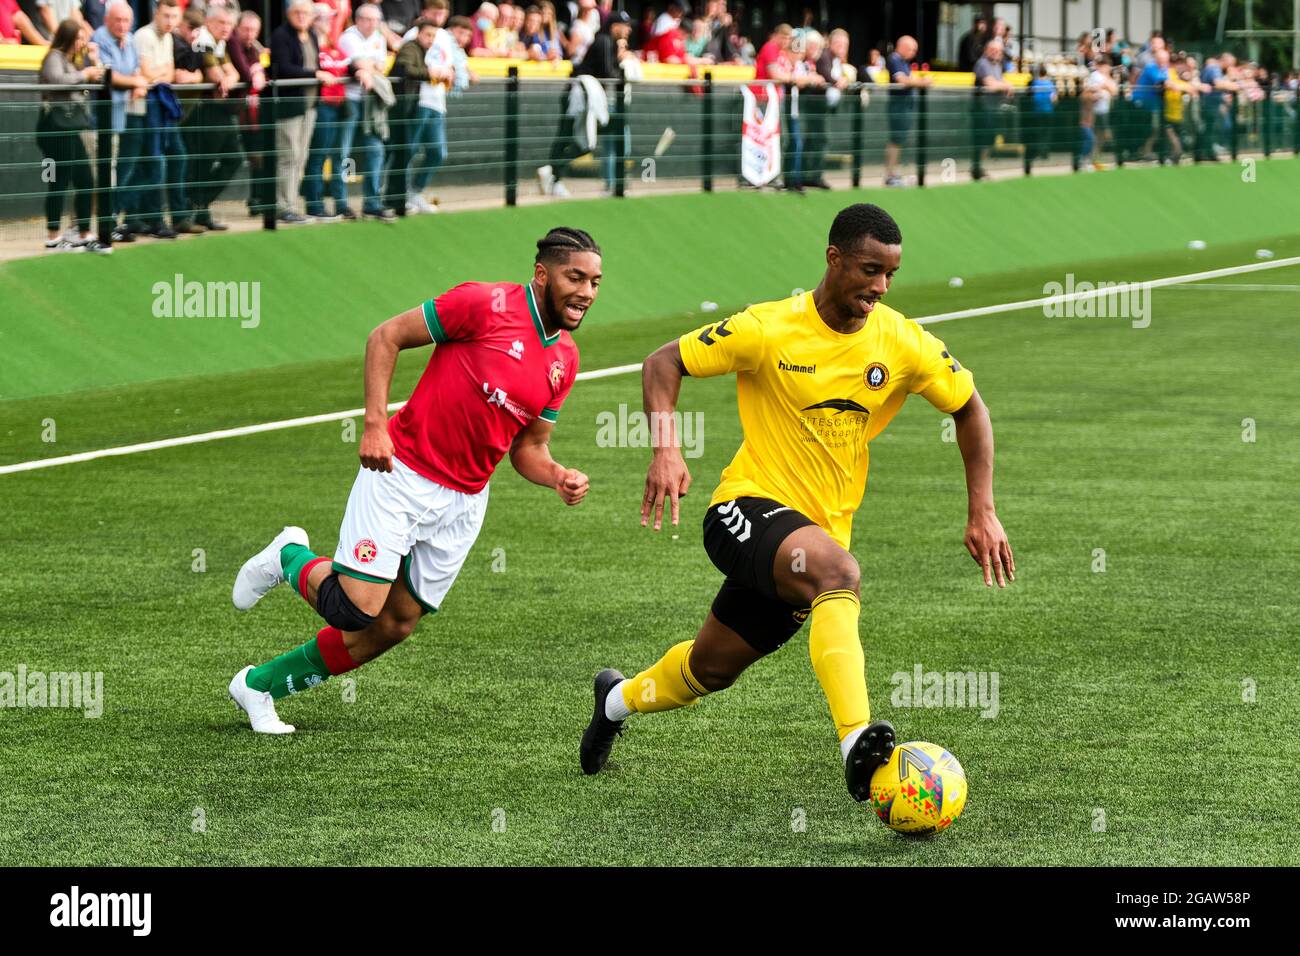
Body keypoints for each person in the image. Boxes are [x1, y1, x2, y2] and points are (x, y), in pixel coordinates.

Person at [580, 204, 1014, 796]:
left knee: (710, 668)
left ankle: (615, 701)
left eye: (890, 274)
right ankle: (856, 739)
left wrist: (982, 509)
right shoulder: (768, 328)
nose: (879, 287)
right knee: (839, 572)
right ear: (833, 257)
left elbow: (970, 407)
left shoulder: (903, 342)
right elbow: (664, 361)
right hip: (744, 509)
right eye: (868, 270)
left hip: (810, 538)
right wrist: (666, 451)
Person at [227, 227, 600, 733]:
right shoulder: (482, 304)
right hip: (401, 473)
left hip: (464, 502)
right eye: (574, 277)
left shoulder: (566, 360)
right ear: (541, 274)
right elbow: (386, 336)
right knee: (357, 609)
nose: (585, 292)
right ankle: (288, 556)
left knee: (395, 624)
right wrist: (376, 424)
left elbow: (530, 447)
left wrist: (557, 475)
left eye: (595, 282)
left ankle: (259, 686)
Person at [536, 9, 631, 197]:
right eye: (624, 26)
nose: (627, 30)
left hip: (583, 97)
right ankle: (553, 175)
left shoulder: (607, 42)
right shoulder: (604, 41)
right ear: (614, 27)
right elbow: (608, 73)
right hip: (580, 97)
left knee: (569, 137)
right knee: (579, 140)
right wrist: (621, 59)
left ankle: (553, 175)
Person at [37, 18, 108, 253]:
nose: (82, 42)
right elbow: (57, 81)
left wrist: (93, 66)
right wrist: (84, 74)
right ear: (68, 37)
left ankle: (84, 232)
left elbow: (84, 84)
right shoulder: (53, 57)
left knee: (86, 179)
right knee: (59, 180)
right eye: (79, 38)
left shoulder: (74, 59)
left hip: (71, 126)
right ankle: (53, 236)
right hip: (54, 126)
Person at [135, 0, 201, 236]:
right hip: (149, 104)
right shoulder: (144, 36)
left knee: (177, 156)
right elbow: (148, 74)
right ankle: (153, 219)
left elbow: (169, 73)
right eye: (166, 16)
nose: (170, 21)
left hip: (163, 102)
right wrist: (162, 73)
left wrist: (161, 72)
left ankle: (177, 216)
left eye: (174, 17)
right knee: (154, 161)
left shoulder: (169, 38)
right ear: (156, 13)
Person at [91, 1, 150, 242]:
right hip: (99, 118)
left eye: (127, 21)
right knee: (99, 174)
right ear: (107, 20)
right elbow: (108, 75)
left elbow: (137, 71)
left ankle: (109, 224)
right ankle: (94, 228)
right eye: (118, 20)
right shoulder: (100, 37)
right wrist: (136, 83)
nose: (123, 25)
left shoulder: (131, 39)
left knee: (115, 172)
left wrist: (137, 81)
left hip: (121, 116)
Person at [185, 3, 242, 229]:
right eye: (221, 23)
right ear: (209, 22)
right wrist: (225, 78)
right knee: (203, 162)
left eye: (229, 23)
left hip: (221, 110)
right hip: (203, 110)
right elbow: (215, 74)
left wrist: (228, 79)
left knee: (234, 158)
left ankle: (200, 202)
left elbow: (232, 73)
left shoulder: (219, 43)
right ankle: (198, 210)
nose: (226, 27)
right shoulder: (202, 41)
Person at [303, 1, 358, 220]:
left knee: (336, 155)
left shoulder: (334, 44)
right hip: (322, 105)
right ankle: (314, 205)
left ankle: (339, 203)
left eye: (331, 18)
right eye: (325, 18)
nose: (330, 22)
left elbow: (348, 65)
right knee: (317, 156)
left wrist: (362, 68)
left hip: (338, 106)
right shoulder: (310, 43)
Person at [338, 3, 391, 220]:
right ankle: (342, 203)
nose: (371, 24)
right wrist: (368, 65)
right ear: (357, 20)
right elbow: (362, 64)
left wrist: (368, 66)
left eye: (375, 20)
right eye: (367, 19)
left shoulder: (379, 37)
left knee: (375, 150)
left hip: (371, 102)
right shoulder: (348, 37)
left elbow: (380, 66)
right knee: (344, 153)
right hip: (349, 100)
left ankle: (372, 202)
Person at [883, 34, 928, 187]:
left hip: (904, 106)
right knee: (895, 139)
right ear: (903, 47)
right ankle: (890, 175)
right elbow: (902, 80)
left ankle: (892, 173)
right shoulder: (894, 59)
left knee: (898, 140)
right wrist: (922, 83)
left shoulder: (903, 62)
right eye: (912, 50)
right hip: (898, 106)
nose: (914, 54)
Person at [971, 37, 1013, 179]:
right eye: (993, 50)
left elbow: (999, 81)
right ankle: (976, 169)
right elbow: (991, 84)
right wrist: (1006, 86)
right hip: (981, 108)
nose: (995, 52)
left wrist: (1006, 84)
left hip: (993, 108)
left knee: (989, 139)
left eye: (998, 50)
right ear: (986, 50)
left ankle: (979, 168)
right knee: (981, 139)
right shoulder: (982, 63)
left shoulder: (997, 65)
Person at [1079, 54, 1117, 168]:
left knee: (1103, 135)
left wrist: (1105, 86)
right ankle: (1088, 159)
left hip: (1104, 110)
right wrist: (1103, 87)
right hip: (1093, 111)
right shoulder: (1095, 75)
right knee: (1094, 136)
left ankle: (1094, 158)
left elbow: (1114, 90)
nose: (1104, 67)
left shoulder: (1107, 76)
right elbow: (1090, 91)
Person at [1026, 64, 1057, 164]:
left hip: (1037, 112)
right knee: (1046, 133)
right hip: (1048, 112)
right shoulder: (1050, 84)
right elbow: (1054, 99)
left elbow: (1031, 97)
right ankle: (1045, 154)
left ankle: (1037, 153)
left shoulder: (1034, 83)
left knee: (1037, 133)